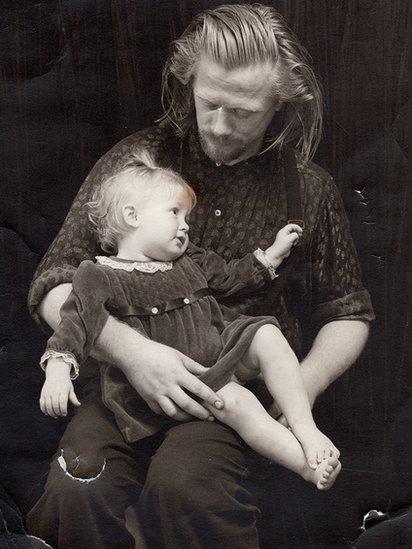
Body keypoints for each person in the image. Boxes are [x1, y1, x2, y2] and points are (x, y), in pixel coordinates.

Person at [27, 4, 374, 549]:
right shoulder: (137, 162)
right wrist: (134, 355)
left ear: (280, 103)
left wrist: (297, 391)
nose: (218, 126)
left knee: (187, 493)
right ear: (189, 79)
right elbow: (56, 282)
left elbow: (348, 313)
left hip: (227, 398)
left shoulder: (308, 189)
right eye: (208, 103)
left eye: (242, 113)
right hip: (119, 389)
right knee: (80, 487)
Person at [39, 152, 341, 490]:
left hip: (217, 351)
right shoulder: (97, 275)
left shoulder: (189, 258)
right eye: (175, 212)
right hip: (175, 384)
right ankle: (306, 466)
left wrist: (271, 255)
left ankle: (307, 430)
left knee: (267, 333)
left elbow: (231, 277)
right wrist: (57, 370)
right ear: (132, 215)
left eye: (187, 216)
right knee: (242, 406)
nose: (185, 224)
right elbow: (74, 323)